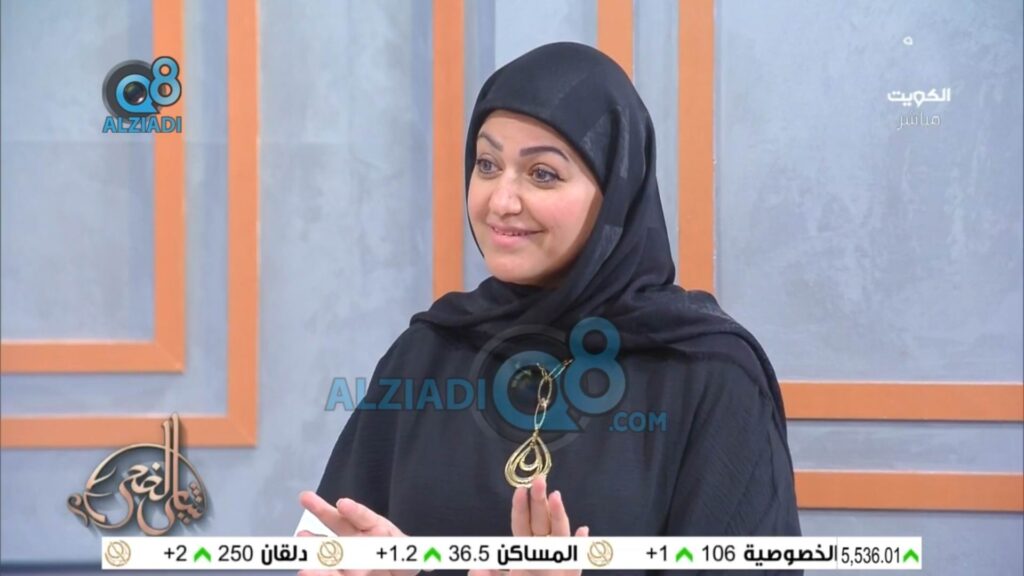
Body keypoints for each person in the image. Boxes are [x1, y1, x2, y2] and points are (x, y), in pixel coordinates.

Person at [296, 42, 801, 576]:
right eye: (487, 165)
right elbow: (328, 547)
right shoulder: (427, 351)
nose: (501, 201)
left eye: (542, 174)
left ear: (615, 192)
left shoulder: (709, 373)